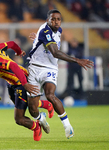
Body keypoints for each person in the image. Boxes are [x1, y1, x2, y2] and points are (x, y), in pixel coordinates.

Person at [27, 9, 94, 139]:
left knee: (50, 95)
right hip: (35, 68)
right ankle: (41, 118)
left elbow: (47, 42)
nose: (56, 21)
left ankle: (67, 126)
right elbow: (55, 52)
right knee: (32, 108)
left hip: (50, 68)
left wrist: (37, 40)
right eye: (53, 19)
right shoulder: (45, 31)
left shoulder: (59, 30)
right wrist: (77, 60)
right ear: (48, 20)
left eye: (58, 19)